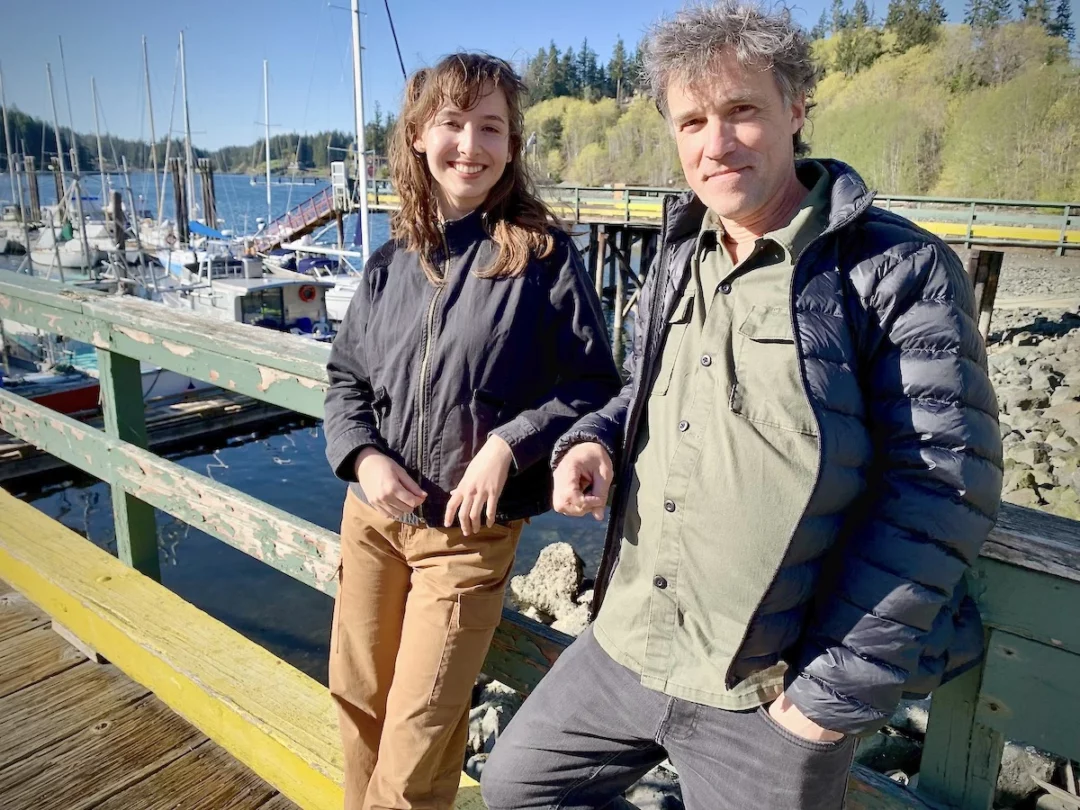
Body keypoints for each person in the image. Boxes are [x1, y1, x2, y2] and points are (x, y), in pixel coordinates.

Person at [480, 4, 1003, 809]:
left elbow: (944, 488)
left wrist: (825, 700)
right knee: (515, 788)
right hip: (624, 645)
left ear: (796, 110)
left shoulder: (896, 269)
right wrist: (593, 442)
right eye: (691, 121)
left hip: (767, 691)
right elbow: (644, 394)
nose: (714, 143)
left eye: (741, 111)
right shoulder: (681, 251)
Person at [323, 53, 620, 810]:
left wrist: (509, 443)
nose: (471, 144)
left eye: (491, 127)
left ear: (512, 146)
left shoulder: (543, 258)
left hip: (466, 536)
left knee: (421, 726)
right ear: (420, 135)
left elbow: (594, 386)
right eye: (453, 123)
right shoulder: (391, 263)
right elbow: (347, 382)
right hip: (375, 521)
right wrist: (360, 459)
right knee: (358, 699)